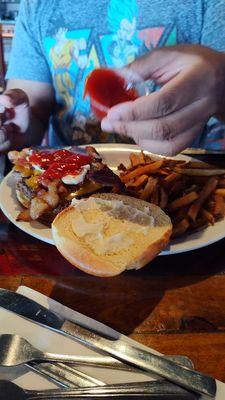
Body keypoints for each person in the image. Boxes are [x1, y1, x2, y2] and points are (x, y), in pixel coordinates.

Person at [0, 0, 225, 157]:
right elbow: (32, 116)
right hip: (68, 184)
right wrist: (15, 127)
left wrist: (220, 83)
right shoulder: (36, 5)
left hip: (180, 178)